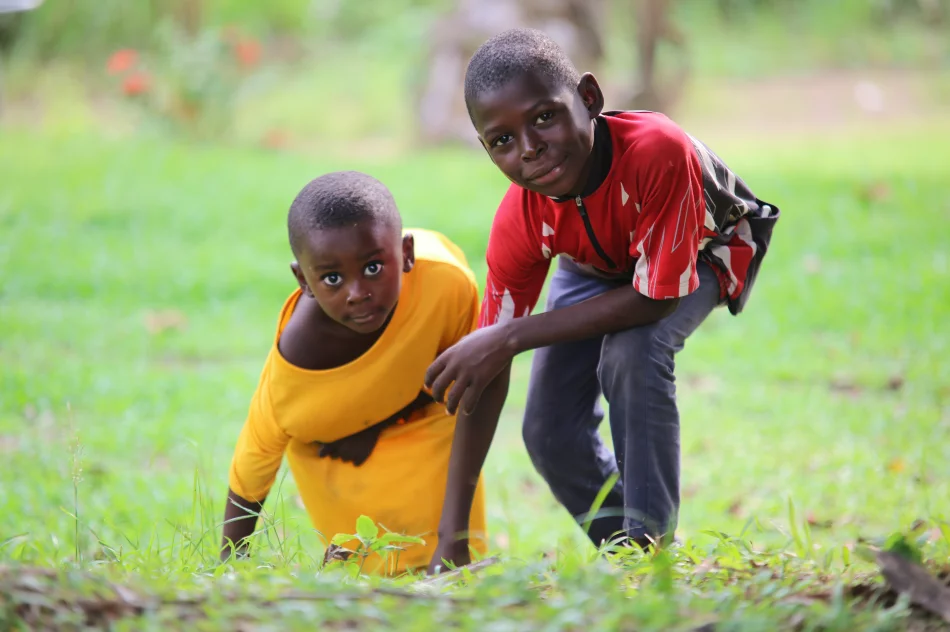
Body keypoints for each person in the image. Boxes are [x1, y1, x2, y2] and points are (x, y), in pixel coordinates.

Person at [426, 28, 780, 557]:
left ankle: (651, 550)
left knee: (634, 351)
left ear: (588, 97)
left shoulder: (656, 150)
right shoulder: (521, 218)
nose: (530, 148)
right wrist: (450, 538)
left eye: (544, 116)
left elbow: (655, 299)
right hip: (595, 265)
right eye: (502, 141)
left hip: (704, 246)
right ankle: (636, 559)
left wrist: (511, 337)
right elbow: (488, 362)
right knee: (549, 432)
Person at [220, 171, 503, 575]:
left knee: (454, 569)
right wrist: (230, 563)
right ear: (304, 281)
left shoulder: (446, 284)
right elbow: (256, 456)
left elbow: (462, 376)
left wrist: (377, 423)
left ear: (406, 254)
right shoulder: (301, 353)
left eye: (373, 268)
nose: (357, 293)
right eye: (332, 279)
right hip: (335, 457)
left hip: (427, 426)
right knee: (373, 573)